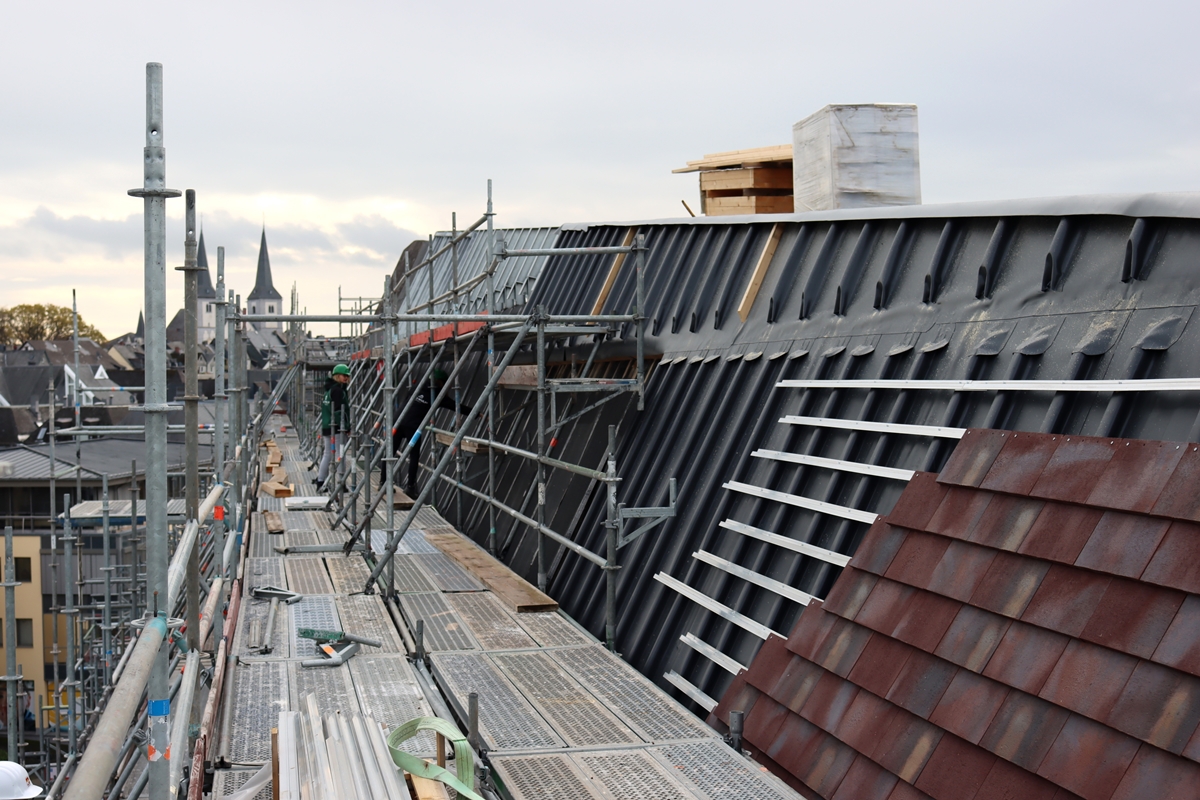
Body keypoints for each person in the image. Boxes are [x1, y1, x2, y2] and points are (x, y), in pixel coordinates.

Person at [385, 369, 465, 494]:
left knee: (390, 452)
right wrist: (478, 413)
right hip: (413, 425)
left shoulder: (418, 386)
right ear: (442, 382)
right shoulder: (438, 395)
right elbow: (456, 406)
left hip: (398, 420)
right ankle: (410, 486)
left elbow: (406, 399)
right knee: (414, 455)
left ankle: (383, 482)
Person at [316, 364, 351, 484]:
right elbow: (339, 412)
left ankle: (321, 480)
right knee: (340, 456)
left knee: (328, 455)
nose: (346, 378)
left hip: (327, 426)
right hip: (336, 428)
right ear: (337, 376)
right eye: (343, 375)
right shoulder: (337, 391)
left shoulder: (329, 390)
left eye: (347, 376)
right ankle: (341, 484)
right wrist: (346, 427)